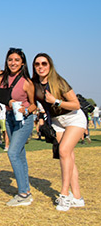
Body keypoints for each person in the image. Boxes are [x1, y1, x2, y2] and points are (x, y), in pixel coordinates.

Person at [32, 53, 86, 211]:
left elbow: (76, 105)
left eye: (44, 63)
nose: (41, 67)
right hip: (57, 122)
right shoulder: (35, 83)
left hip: (73, 118)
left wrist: (55, 101)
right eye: (37, 64)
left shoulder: (59, 82)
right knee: (68, 157)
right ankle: (77, 197)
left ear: (50, 66)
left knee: (63, 151)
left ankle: (64, 195)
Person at [0, 48, 36, 206]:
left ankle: (23, 194)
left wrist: (26, 110)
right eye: (10, 59)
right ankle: (26, 191)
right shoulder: (2, 78)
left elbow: (34, 104)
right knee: (20, 154)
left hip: (24, 120)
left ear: (22, 63)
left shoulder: (27, 82)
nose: (13, 63)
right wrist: (9, 102)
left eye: (17, 60)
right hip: (9, 118)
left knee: (12, 153)